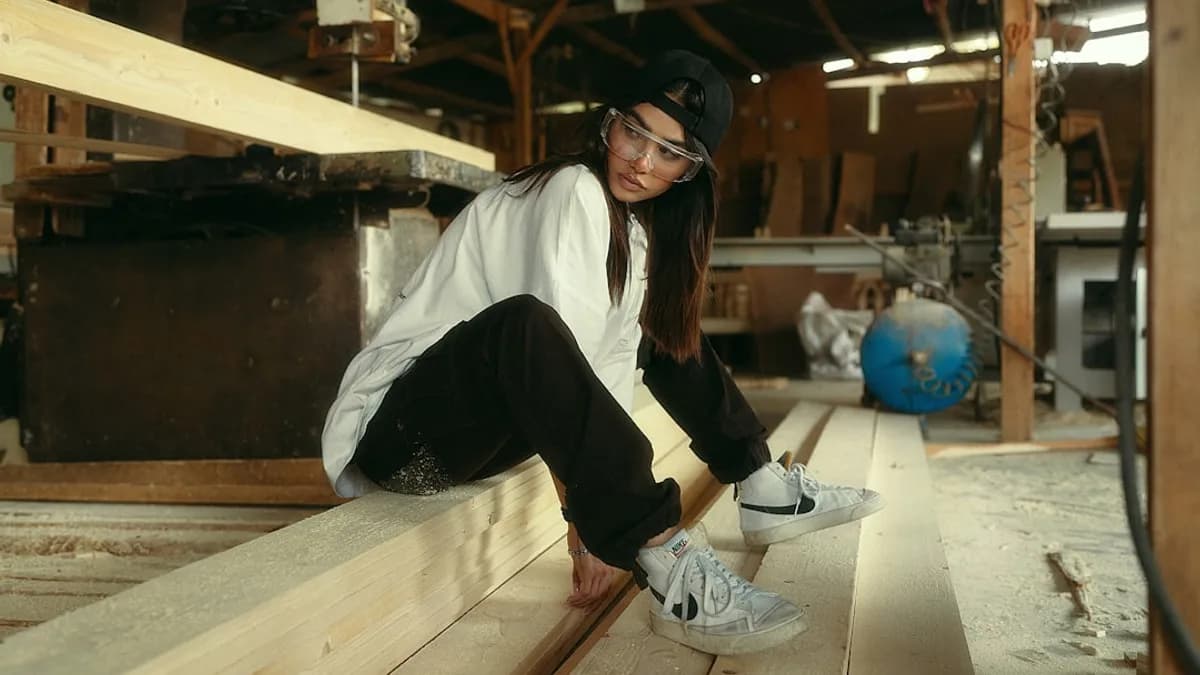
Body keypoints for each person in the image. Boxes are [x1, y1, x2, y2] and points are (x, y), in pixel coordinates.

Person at [322, 49, 883, 656]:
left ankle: (759, 480)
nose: (642, 161)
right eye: (633, 133)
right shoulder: (570, 190)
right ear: (607, 124)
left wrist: (598, 513)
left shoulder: (633, 232)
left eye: (669, 152)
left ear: (689, 173)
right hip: (400, 440)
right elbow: (553, 363)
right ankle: (670, 565)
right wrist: (591, 529)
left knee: (661, 328)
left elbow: (602, 378)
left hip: (466, 438)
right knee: (524, 324)